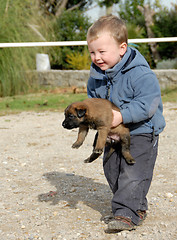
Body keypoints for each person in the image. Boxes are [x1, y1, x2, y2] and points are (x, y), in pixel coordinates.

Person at [86, 15, 166, 233]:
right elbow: (93, 101)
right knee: (111, 168)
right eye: (92, 52)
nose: (97, 57)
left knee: (132, 171)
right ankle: (136, 205)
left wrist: (121, 116)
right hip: (112, 131)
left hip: (142, 130)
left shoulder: (141, 74)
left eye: (102, 52)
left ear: (122, 48)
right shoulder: (95, 77)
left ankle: (126, 213)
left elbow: (147, 105)